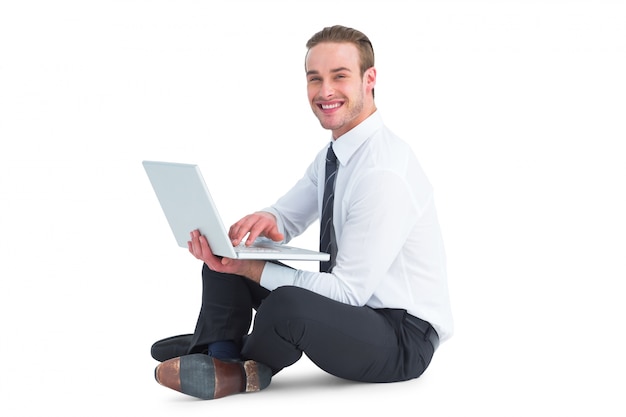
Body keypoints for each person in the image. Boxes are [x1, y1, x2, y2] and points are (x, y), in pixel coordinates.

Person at [152, 24, 453, 400]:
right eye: (315, 79)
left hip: (401, 339)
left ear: (369, 79)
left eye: (339, 76)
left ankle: (229, 361)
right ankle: (219, 351)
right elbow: (287, 216)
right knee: (224, 261)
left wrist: (253, 268)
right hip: (356, 315)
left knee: (287, 304)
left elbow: (347, 293)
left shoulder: (383, 171)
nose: (325, 91)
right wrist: (260, 228)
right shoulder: (336, 153)